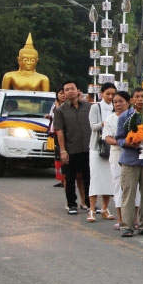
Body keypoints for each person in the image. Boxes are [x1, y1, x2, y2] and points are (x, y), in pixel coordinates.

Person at [115, 87, 143, 238]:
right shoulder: (124, 117)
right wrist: (129, 143)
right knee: (129, 193)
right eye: (137, 97)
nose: (140, 99)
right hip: (130, 160)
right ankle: (127, 226)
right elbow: (119, 138)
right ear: (132, 100)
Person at [54, 80, 92, 215]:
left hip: (88, 149)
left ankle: (89, 203)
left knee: (88, 177)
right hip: (70, 149)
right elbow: (59, 131)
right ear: (63, 93)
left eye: (72, 88)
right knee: (69, 178)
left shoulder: (89, 107)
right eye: (67, 89)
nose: (70, 91)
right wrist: (63, 150)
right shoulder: (60, 111)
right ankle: (71, 204)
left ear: (78, 90)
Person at [103, 91, 139, 231]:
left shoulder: (135, 117)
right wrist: (124, 142)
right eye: (115, 102)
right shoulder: (110, 119)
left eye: (120, 101)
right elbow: (107, 138)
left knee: (135, 188)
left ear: (128, 102)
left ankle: (134, 219)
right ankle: (120, 219)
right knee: (119, 187)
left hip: (134, 155)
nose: (118, 104)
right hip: (117, 156)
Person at [87, 82, 116, 222]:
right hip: (97, 147)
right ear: (102, 94)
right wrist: (105, 123)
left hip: (112, 147)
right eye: (108, 94)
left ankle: (105, 208)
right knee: (95, 178)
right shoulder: (95, 107)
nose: (110, 97)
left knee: (110, 179)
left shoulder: (116, 108)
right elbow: (93, 126)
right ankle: (92, 209)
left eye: (112, 94)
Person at [47, 86, 66, 188]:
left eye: (64, 93)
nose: (63, 95)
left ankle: (65, 178)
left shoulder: (68, 105)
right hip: (56, 133)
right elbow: (53, 116)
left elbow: (60, 115)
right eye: (60, 93)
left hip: (65, 134)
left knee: (64, 157)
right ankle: (60, 179)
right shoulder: (54, 105)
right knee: (57, 157)